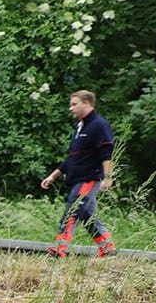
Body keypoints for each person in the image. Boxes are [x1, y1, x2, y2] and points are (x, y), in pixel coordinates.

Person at [40, 89, 116, 257]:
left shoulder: (98, 125)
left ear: (87, 103)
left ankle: (60, 248)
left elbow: (106, 153)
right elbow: (71, 158)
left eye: (74, 104)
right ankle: (108, 248)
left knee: (72, 210)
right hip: (77, 179)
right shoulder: (80, 127)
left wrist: (107, 177)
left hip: (89, 179)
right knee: (88, 217)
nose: (71, 108)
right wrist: (53, 176)